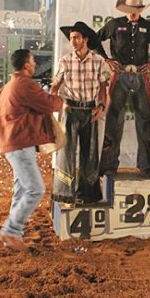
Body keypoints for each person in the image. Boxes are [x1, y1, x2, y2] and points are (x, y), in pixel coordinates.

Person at [0, 49, 64, 250]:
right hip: (21, 143)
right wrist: (60, 97)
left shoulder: (6, 87)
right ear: (26, 65)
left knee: (22, 189)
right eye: (33, 61)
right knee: (35, 189)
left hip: (12, 143)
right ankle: (11, 231)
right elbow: (49, 104)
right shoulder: (25, 84)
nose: (35, 65)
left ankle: (13, 236)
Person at [93, 0, 150, 177]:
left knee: (145, 120)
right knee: (113, 120)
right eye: (130, 9)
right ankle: (109, 165)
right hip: (120, 74)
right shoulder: (114, 24)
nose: (133, 13)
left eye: (136, 9)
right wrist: (107, 59)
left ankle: (146, 165)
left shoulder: (147, 26)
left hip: (140, 74)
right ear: (125, 9)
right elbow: (95, 40)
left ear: (140, 9)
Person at [50, 22, 109, 205]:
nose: (73, 41)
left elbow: (103, 87)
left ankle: (88, 194)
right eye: (71, 38)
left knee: (89, 154)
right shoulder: (65, 61)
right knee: (66, 153)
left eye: (76, 37)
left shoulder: (98, 61)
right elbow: (55, 86)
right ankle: (64, 193)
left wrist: (101, 107)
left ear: (85, 39)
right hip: (70, 110)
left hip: (90, 110)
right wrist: (55, 105)